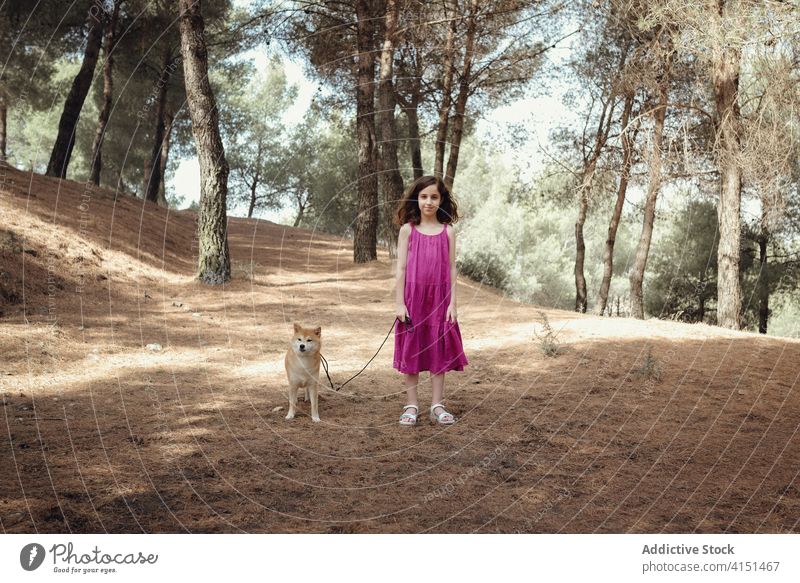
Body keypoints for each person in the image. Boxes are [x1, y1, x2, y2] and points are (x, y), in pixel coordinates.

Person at [393, 175, 469, 426]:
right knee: (413, 350)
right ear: (417, 198)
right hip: (413, 299)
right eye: (424, 196)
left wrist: (453, 303)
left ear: (441, 200)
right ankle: (411, 405)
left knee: (438, 348)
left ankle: (437, 405)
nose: (428, 201)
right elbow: (401, 269)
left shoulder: (448, 232)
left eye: (434, 197)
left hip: (439, 299)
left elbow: (451, 269)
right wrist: (399, 303)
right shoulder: (408, 230)